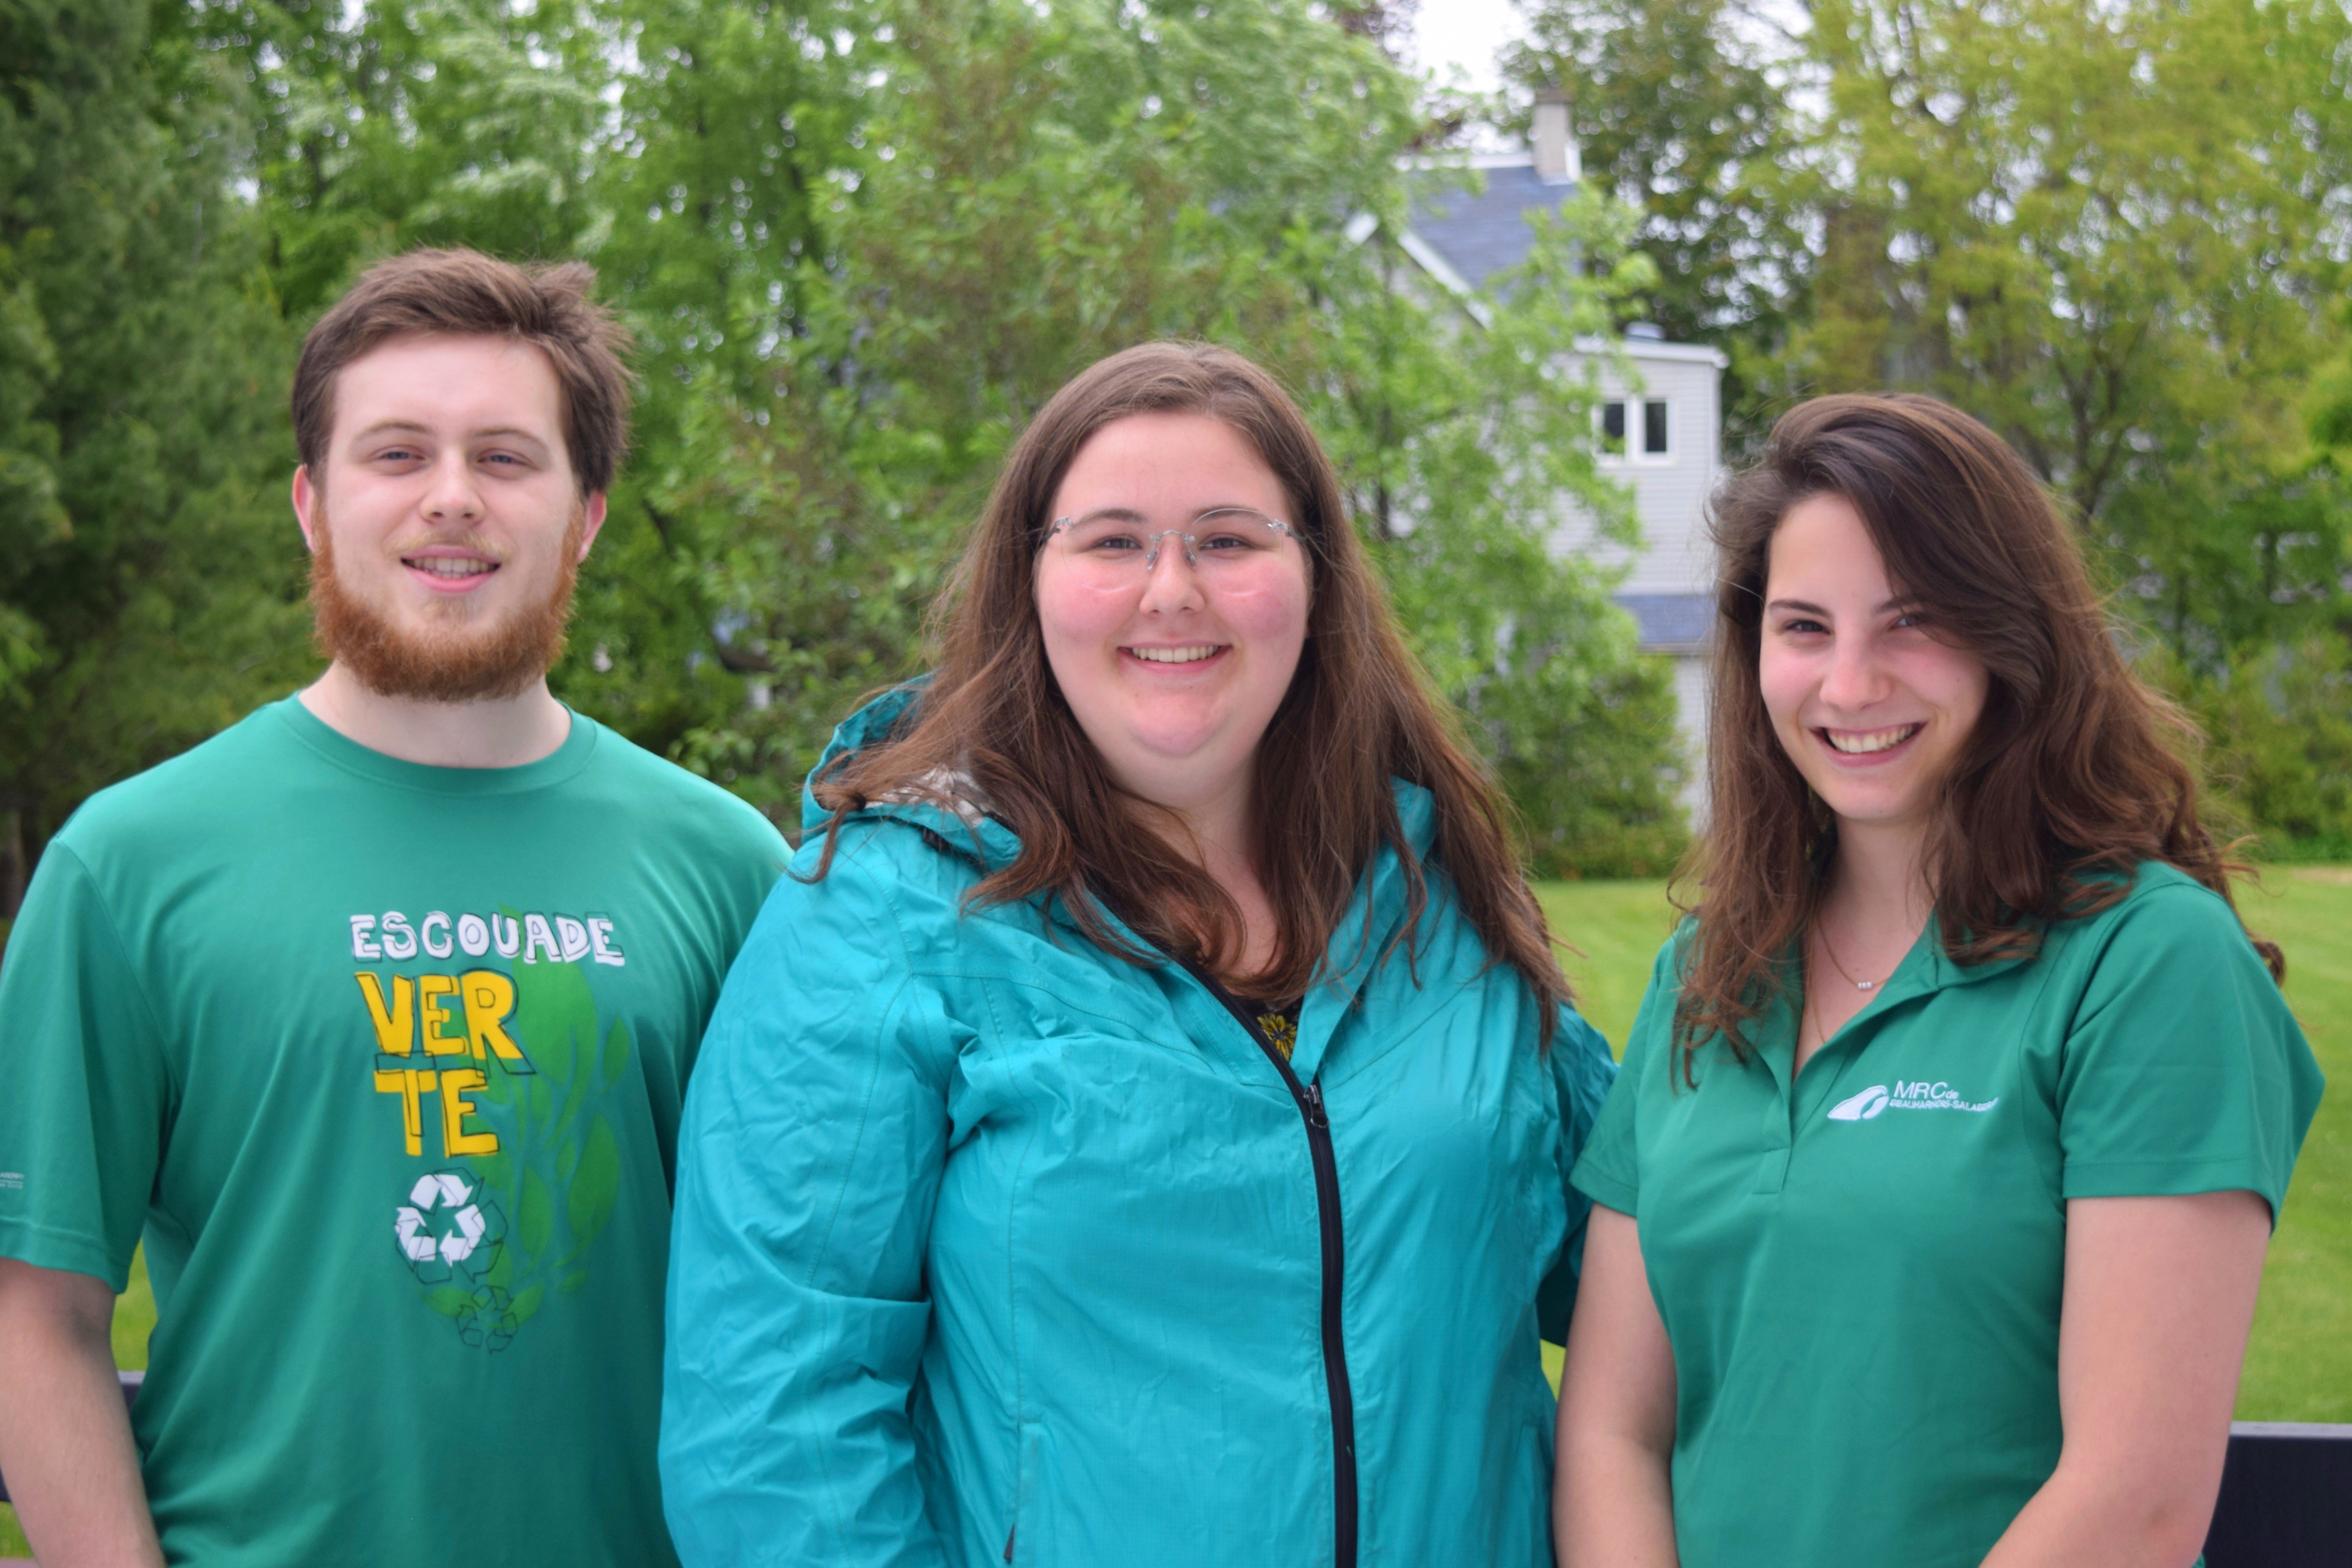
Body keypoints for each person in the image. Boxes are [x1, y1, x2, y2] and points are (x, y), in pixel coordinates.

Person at [659, 341, 1618, 1566]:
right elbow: (769, 1426)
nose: (1172, 589)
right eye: (1112, 542)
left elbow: (1667, 1285)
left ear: (1314, 579)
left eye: (1228, 539)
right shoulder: (884, 909)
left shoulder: (1441, 899)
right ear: (1031, 581)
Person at [0, 249, 787, 1567]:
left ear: (585, 511)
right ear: (313, 504)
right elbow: (38, 1307)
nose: (450, 500)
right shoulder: (130, 865)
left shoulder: (727, 867)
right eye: (396, 454)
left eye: (505, 457)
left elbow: (807, 1300)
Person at [1553, 393, 2325, 1568]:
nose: (1850, 684)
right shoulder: (1705, 971)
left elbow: (2136, 1499)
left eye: (1909, 621)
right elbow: (1613, 1427)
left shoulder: (2145, 964)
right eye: (1804, 627)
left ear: (2009, 636)